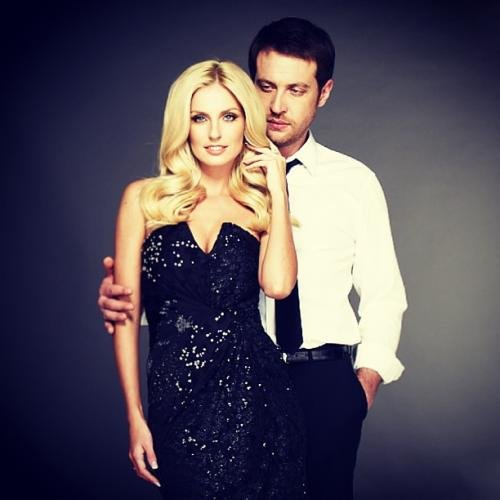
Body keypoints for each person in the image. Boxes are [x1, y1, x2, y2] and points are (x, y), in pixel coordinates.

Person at [99, 18, 407, 500]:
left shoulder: (353, 182)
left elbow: (384, 294)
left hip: (321, 379)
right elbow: (189, 295)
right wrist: (125, 297)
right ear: (248, 89)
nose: (278, 105)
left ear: (323, 93)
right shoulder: (200, 183)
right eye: (266, 87)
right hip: (217, 381)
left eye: (296, 89)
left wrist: (360, 389)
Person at [111, 59, 306, 499]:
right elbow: (125, 317)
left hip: (258, 396)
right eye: (200, 118)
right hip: (176, 399)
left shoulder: (258, 205)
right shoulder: (143, 200)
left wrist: (277, 187)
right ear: (183, 125)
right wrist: (134, 416)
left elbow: (278, 286)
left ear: (246, 123)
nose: (215, 133)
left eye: (228, 117)